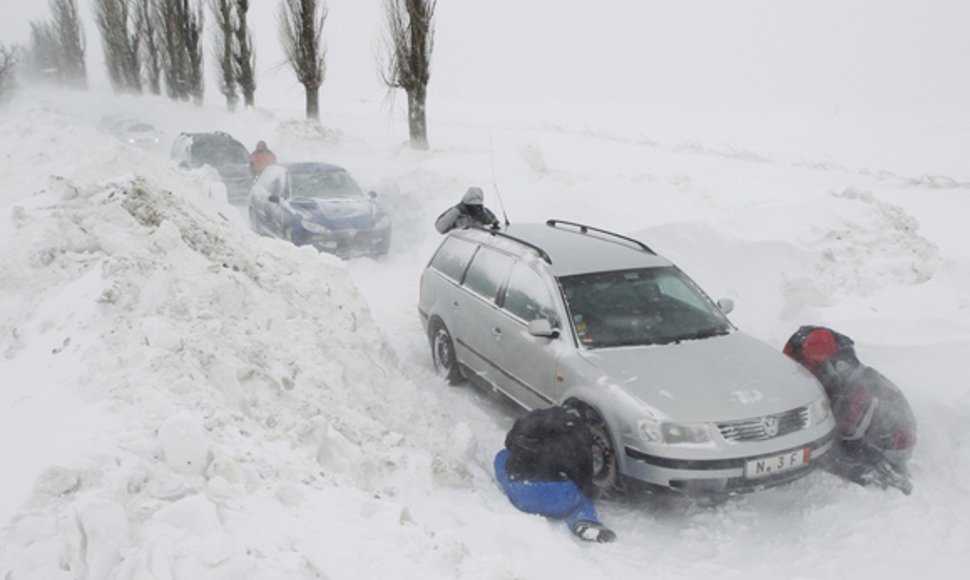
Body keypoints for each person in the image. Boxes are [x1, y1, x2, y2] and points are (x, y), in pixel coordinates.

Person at [783, 325, 917, 494]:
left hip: (891, 437)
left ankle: (874, 473)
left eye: (820, 362)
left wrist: (828, 429)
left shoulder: (848, 369)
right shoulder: (795, 344)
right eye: (812, 362)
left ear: (830, 355)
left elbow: (847, 426)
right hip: (890, 429)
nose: (815, 365)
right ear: (805, 351)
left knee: (829, 452)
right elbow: (783, 372)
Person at [493, 405, 616, 543]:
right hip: (555, 498)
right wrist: (592, 492)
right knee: (580, 495)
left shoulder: (531, 418)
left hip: (520, 492)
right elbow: (583, 476)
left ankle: (514, 485)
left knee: (502, 456)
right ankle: (585, 520)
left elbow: (509, 443)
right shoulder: (579, 436)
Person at [434, 186, 501, 234]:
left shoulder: (484, 213)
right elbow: (440, 228)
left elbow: (497, 228)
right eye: (473, 205)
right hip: (459, 247)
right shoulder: (456, 213)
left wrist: (486, 218)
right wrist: (456, 212)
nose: (475, 207)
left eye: (478, 205)